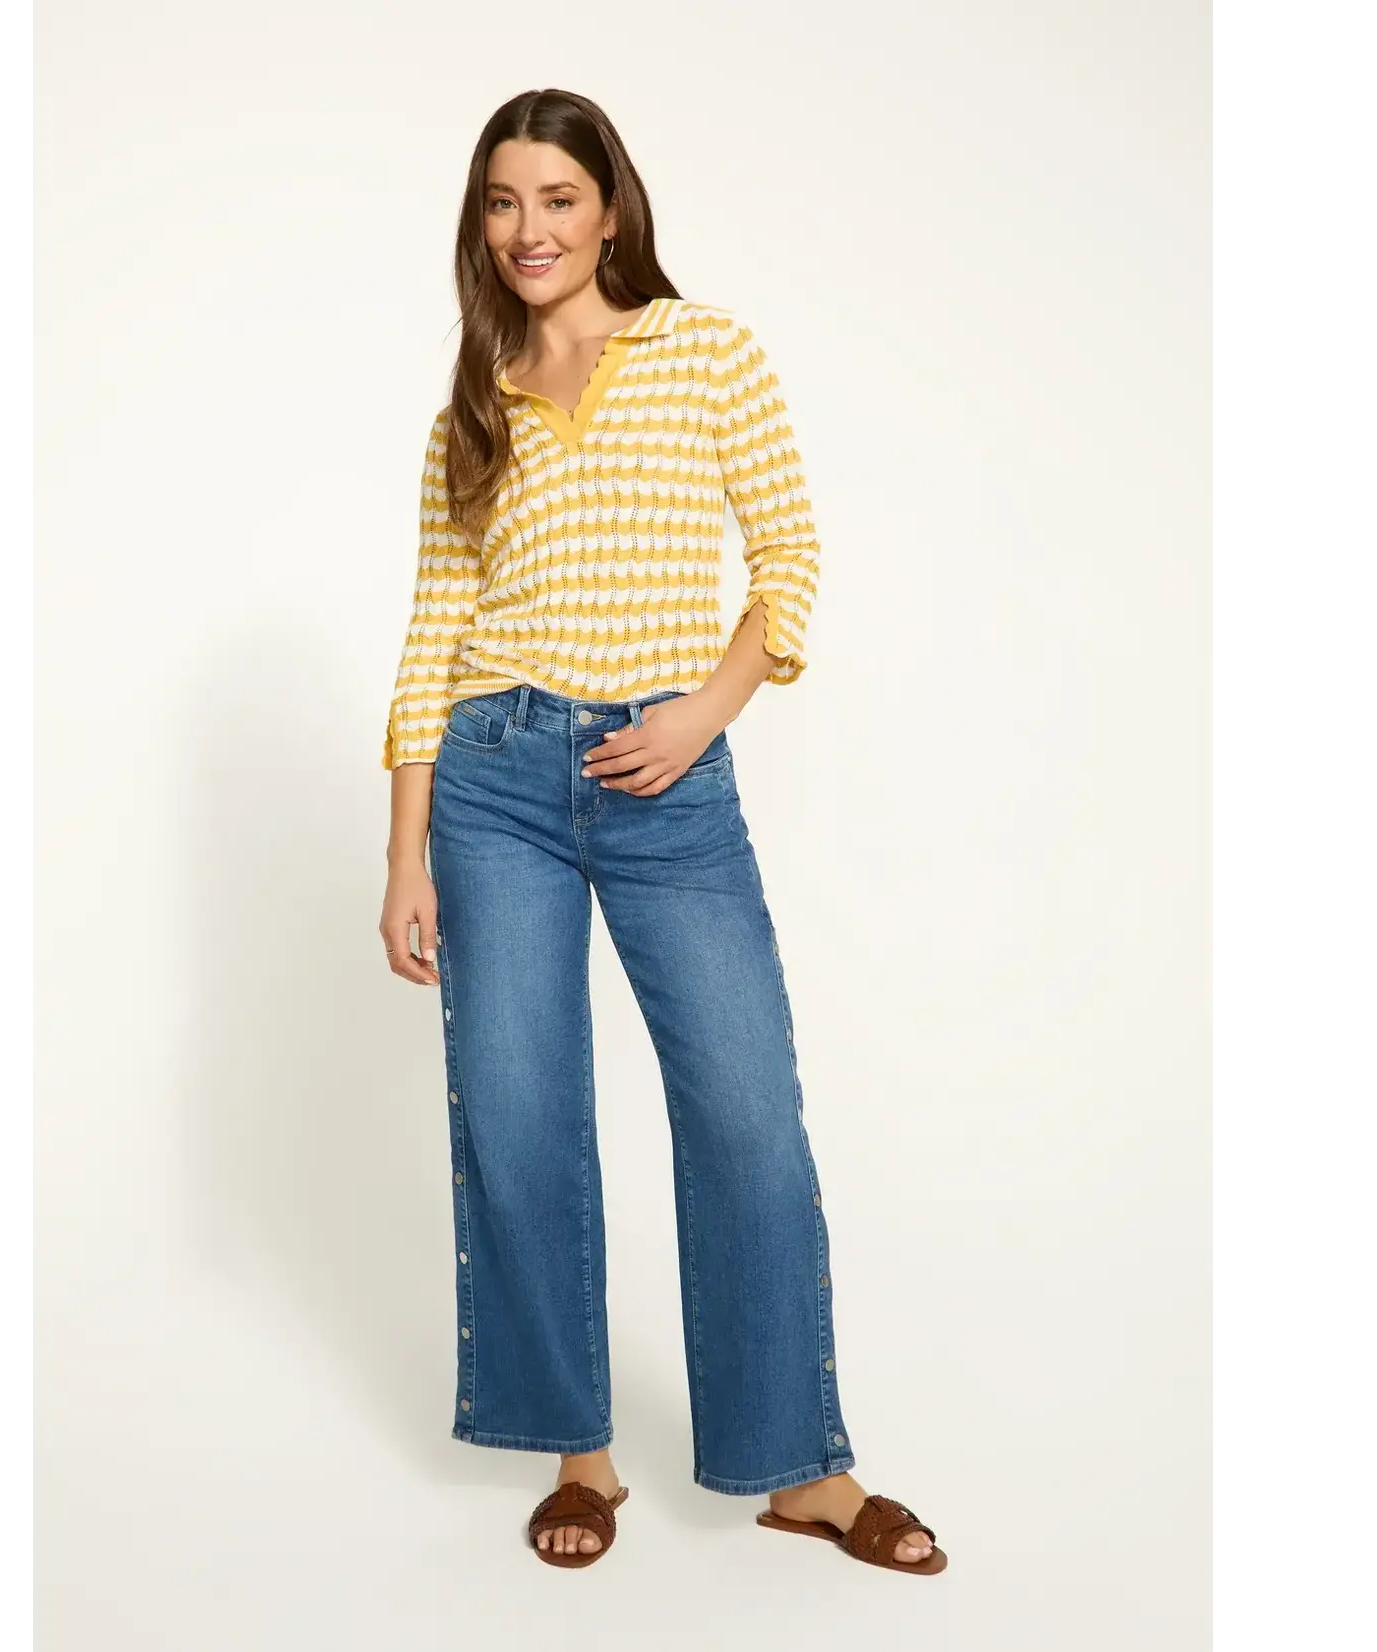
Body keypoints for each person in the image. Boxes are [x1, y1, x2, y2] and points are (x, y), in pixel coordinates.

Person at [378, 88, 945, 1577]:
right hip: (494, 780)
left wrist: (705, 712)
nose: (530, 230)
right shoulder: (474, 406)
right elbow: (434, 631)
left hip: (666, 778)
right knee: (519, 1117)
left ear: (612, 208)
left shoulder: (705, 350)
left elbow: (789, 554)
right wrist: (404, 851)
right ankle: (579, 1453)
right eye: (503, 202)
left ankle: (803, 1470)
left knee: (747, 1112)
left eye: (558, 198)